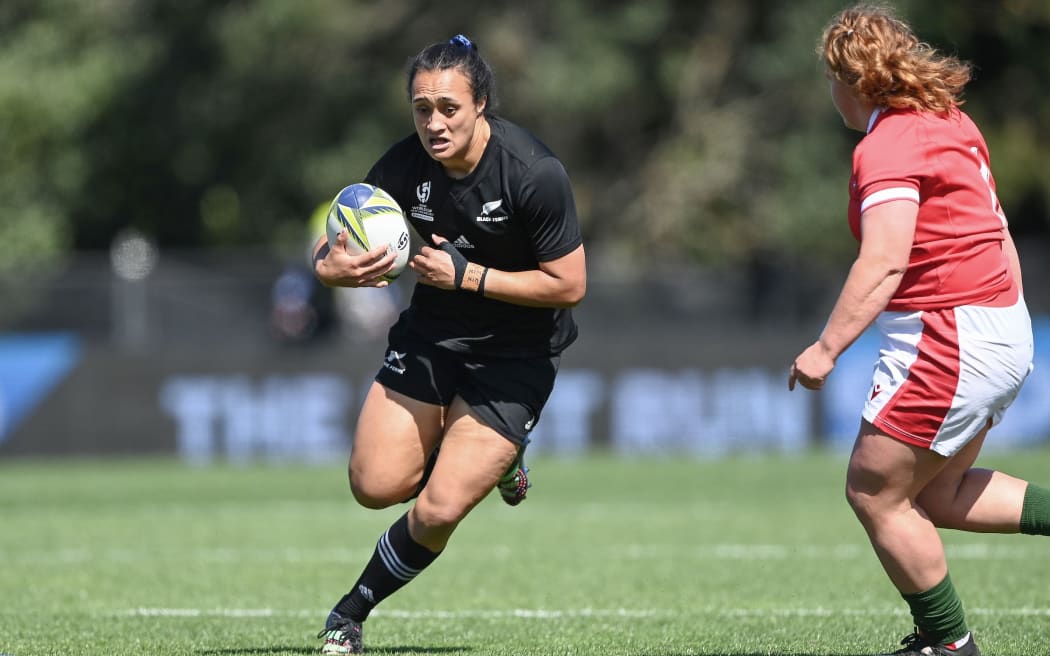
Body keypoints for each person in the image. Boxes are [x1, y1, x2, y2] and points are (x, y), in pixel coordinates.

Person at [311, 34, 586, 654]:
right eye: (421, 108)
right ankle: (486, 459)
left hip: (516, 356)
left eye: (448, 108)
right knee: (373, 485)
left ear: (481, 103)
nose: (433, 123)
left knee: (437, 510)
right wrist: (335, 270)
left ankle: (350, 614)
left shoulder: (533, 173)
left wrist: (469, 276)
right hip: (432, 337)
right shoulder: (404, 166)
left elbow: (570, 284)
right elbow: (331, 248)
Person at [789, 5, 1050, 656]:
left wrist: (826, 350)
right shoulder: (951, 122)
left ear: (851, 82)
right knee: (940, 495)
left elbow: (884, 261)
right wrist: (1011, 326)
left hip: (951, 338)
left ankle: (948, 645)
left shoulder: (889, 145)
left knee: (873, 492)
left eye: (831, 78)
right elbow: (1000, 232)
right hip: (996, 325)